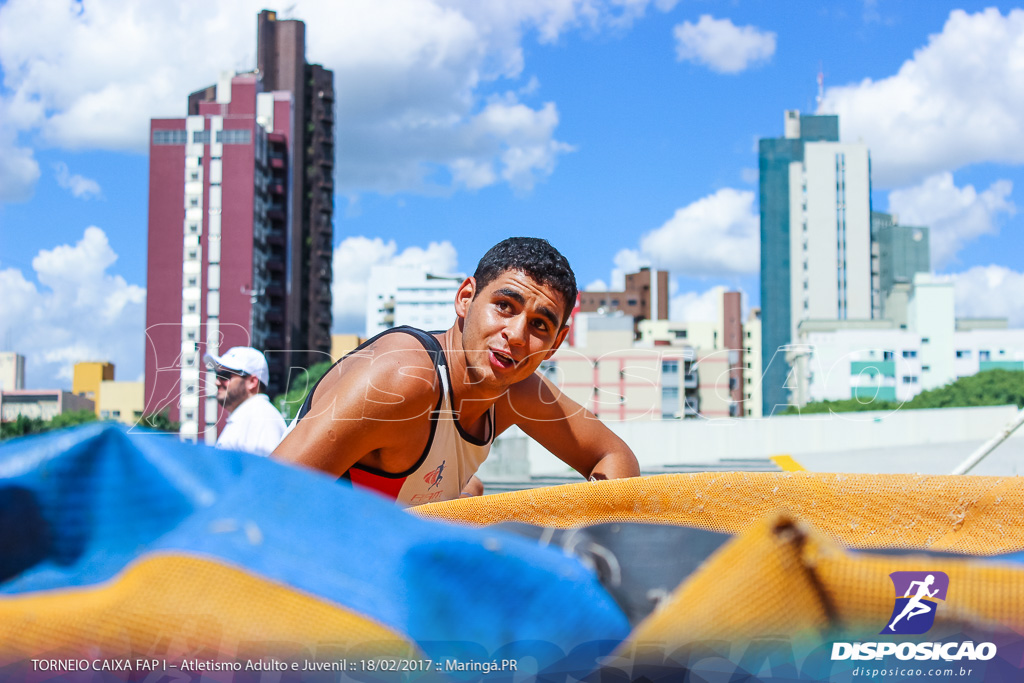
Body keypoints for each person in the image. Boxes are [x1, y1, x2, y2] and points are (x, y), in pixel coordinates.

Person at [273, 237, 641, 505]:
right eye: (504, 305)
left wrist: (591, 534)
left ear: (555, 345)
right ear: (466, 298)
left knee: (472, 497)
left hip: (388, 569)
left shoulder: (516, 391)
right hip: (309, 581)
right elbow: (262, 496)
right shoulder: (401, 380)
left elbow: (614, 458)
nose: (516, 335)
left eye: (539, 326)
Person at [204, 346, 287, 457]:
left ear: (252, 382)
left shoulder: (261, 416)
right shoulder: (250, 415)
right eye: (217, 375)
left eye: (225, 376)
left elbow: (266, 471)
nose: (217, 382)